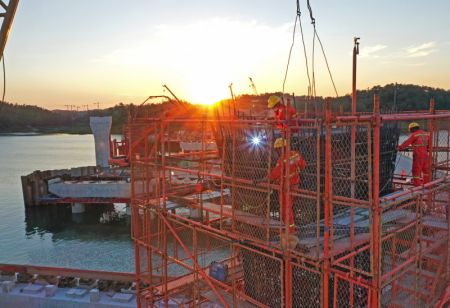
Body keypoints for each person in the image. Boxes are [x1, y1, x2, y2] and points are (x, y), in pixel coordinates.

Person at [256, 137, 306, 249]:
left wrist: (261, 180)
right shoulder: (296, 155)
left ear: (282, 148)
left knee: (285, 210)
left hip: (286, 188)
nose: (277, 152)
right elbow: (303, 165)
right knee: (289, 208)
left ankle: (291, 231)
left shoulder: (282, 159)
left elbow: (274, 174)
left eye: (278, 149)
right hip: (295, 185)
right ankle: (291, 229)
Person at [398, 122, 430, 186]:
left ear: (413, 128)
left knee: (416, 171)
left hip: (418, 155)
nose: (410, 131)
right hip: (426, 155)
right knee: (426, 171)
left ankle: (417, 185)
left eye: (410, 130)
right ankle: (426, 184)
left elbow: (407, 142)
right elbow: (429, 145)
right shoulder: (426, 134)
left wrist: (400, 147)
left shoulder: (415, 135)